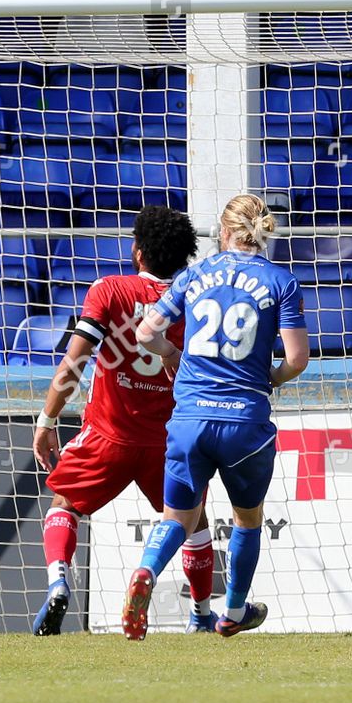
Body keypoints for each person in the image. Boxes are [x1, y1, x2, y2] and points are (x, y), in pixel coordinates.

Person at [123, 194, 310, 640]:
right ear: (264, 234)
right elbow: (298, 359)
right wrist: (271, 376)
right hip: (245, 422)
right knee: (247, 519)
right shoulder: (281, 282)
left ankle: (147, 571)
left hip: (189, 419)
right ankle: (233, 611)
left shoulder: (193, 275)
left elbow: (146, 331)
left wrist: (173, 353)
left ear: (222, 232)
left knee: (178, 519)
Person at [30, 206, 215, 636]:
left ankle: (59, 582)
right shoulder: (196, 299)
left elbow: (73, 363)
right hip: (168, 442)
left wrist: (46, 419)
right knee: (194, 521)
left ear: (137, 252)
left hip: (107, 435)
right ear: (185, 255)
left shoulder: (110, 290)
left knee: (65, 506)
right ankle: (202, 615)